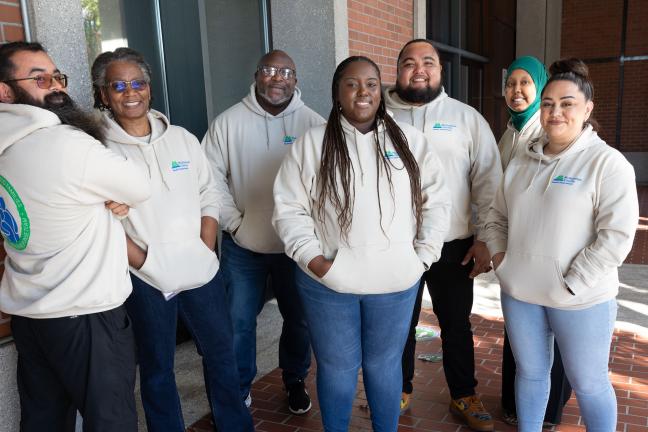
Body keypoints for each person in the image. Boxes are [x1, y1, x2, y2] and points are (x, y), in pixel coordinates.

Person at [273, 55, 451, 432]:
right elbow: (289, 209)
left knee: (384, 366)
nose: (363, 91)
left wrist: (421, 258)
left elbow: (436, 201)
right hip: (329, 283)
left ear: (380, 91)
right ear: (337, 93)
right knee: (337, 368)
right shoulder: (313, 144)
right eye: (352, 84)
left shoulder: (410, 142)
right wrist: (316, 261)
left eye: (371, 83)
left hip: (395, 281)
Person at [91, 47, 254, 432]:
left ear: (149, 88)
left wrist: (204, 244)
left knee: (221, 354)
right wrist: (145, 262)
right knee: (157, 367)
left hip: (200, 270)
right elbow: (99, 219)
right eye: (118, 85)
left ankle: (235, 425)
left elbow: (208, 193)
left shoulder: (182, 139)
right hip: (144, 278)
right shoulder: (97, 149)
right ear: (103, 95)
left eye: (138, 83)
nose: (131, 92)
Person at [0, 41, 151, 431]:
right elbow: (139, 185)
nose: (56, 86)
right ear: (4, 90)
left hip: (31, 317)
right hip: (85, 315)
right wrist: (113, 196)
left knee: (44, 421)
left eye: (56, 76)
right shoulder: (66, 143)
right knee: (110, 421)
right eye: (39, 78)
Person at [485, 58, 639, 431]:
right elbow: (496, 216)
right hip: (521, 293)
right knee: (531, 374)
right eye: (549, 103)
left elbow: (616, 237)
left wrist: (572, 282)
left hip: (580, 298)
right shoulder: (523, 158)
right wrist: (502, 259)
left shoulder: (608, 164)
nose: (555, 112)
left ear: (586, 109)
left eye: (566, 103)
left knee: (589, 384)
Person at [384, 39, 501, 431]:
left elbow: (488, 183)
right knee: (399, 323)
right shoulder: (377, 117)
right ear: (397, 70)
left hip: (454, 244)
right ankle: (397, 390)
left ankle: (463, 395)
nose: (419, 69)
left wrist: (485, 238)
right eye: (409, 62)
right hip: (397, 243)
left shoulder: (466, 119)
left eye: (428, 62)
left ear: (440, 70)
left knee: (456, 324)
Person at [202, 49, 323, 413]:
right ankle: (239, 388)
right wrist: (235, 223)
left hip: (296, 248)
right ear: (256, 75)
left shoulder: (313, 125)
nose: (278, 78)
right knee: (239, 322)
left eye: (287, 72)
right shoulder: (228, 123)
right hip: (244, 246)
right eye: (270, 70)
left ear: (296, 80)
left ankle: (295, 379)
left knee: (299, 320)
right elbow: (208, 181)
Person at [498, 55, 573, 427]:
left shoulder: (546, 133)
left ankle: (548, 412)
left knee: (550, 341)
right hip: (514, 253)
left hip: (545, 253)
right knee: (522, 337)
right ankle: (517, 406)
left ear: (541, 86)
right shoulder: (511, 131)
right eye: (511, 83)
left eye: (526, 83)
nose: (517, 90)